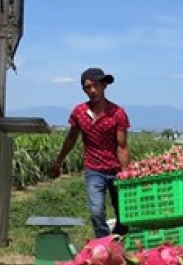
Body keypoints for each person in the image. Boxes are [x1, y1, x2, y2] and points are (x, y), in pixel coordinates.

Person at [48, 67, 130, 237]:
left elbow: (122, 146)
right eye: (88, 87)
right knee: (96, 213)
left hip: (115, 169)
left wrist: (126, 174)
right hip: (94, 170)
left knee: (123, 213)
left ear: (104, 86)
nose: (92, 90)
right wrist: (58, 162)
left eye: (96, 85)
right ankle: (104, 246)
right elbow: (71, 139)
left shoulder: (117, 113)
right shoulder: (79, 112)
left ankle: (120, 242)